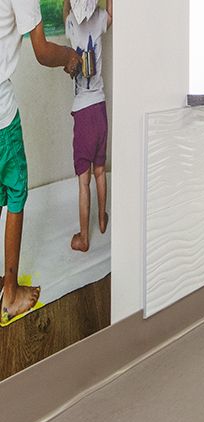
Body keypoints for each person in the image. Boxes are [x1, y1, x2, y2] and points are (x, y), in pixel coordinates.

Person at [0, 0, 80, 323]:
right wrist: (69, 56)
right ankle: (10, 295)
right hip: (2, 118)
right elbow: (42, 50)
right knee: (16, 192)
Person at [65, 0, 110, 253]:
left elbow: (66, 13)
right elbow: (111, 16)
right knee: (100, 171)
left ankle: (84, 237)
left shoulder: (72, 23)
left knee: (84, 182)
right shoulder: (101, 18)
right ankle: (102, 220)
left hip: (83, 112)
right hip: (101, 108)